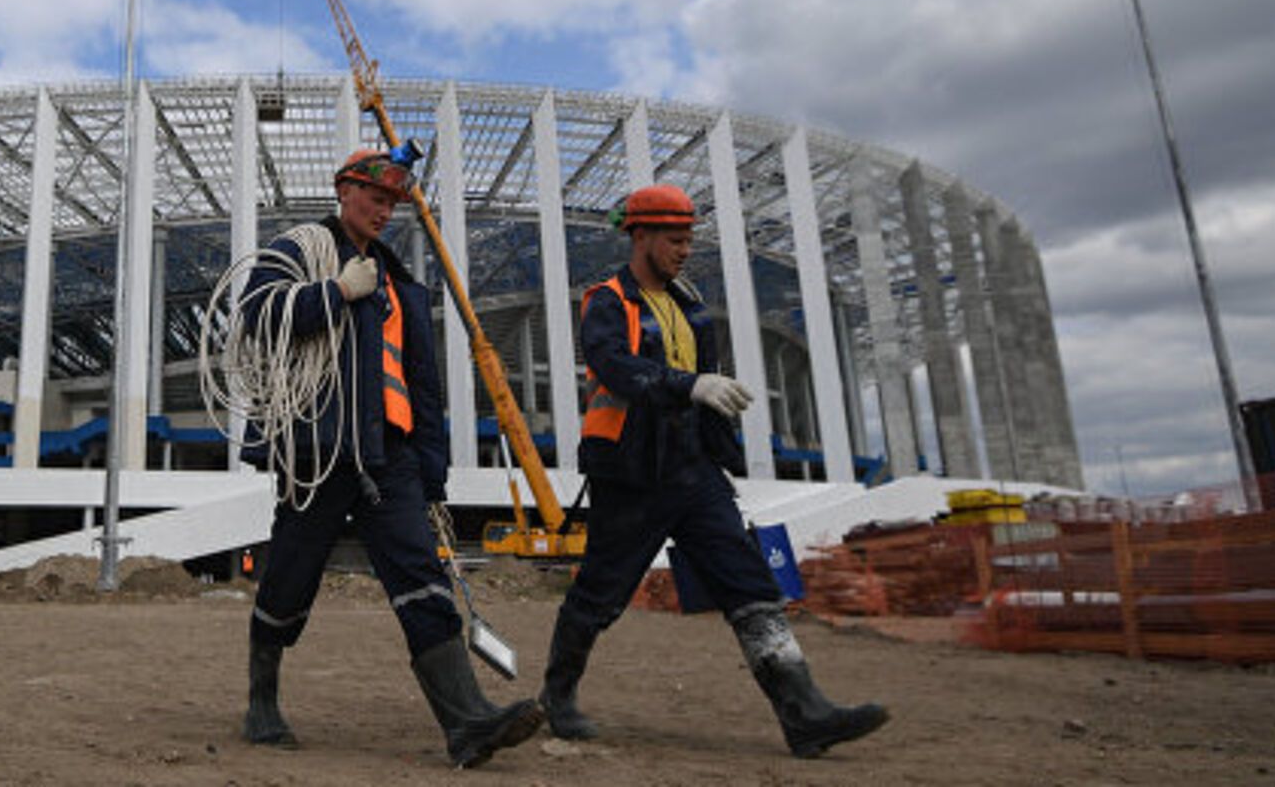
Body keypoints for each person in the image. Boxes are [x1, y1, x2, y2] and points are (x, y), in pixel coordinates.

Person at [539, 184, 889, 759]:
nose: (683, 250)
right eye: (674, 240)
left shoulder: (688, 304)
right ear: (641, 236)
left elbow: (700, 377)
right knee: (600, 594)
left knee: (749, 585)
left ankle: (805, 715)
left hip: (693, 470)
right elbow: (616, 367)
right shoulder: (607, 300)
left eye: (688, 240)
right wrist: (691, 385)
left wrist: (716, 426)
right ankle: (558, 696)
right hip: (630, 474)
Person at [234, 147, 543, 768]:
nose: (383, 211)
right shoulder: (299, 250)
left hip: (390, 458)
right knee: (290, 577)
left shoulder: (402, 285)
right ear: (343, 191)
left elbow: (422, 389)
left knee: (422, 582)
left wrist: (431, 474)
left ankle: (467, 723)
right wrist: (334, 293)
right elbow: (253, 317)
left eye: (392, 203)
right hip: (319, 449)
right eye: (373, 198)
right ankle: (261, 701)